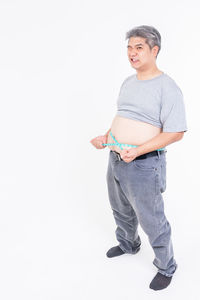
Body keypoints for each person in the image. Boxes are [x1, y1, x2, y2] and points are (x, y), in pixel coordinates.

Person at [90, 25, 188, 291]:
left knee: (151, 218)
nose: (132, 53)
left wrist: (139, 150)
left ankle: (167, 266)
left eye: (139, 47)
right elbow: (123, 117)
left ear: (154, 50)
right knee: (120, 209)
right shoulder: (128, 82)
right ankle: (128, 245)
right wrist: (106, 136)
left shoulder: (168, 88)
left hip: (144, 165)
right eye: (129, 48)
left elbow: (176, 132)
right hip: (116, 158)